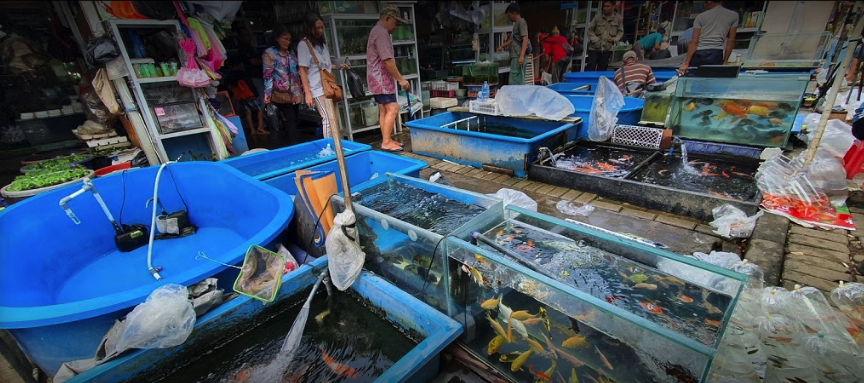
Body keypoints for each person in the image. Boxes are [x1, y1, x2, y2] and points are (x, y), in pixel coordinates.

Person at [298, 12, 349, 139]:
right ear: (310, 28)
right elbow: (302, 70)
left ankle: (337, 146)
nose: (320, 30)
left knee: (333, 118)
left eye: (322, 27)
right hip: (316, 88)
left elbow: (325, 66)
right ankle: (329, 148)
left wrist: (338, 66)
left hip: (329, 87)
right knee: (327, 118)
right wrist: (307, 92)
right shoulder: (304, 45)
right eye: (317, 28)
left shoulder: (322, 44)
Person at [367, 5, 410, 152]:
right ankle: (386, 142)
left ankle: (388, 139)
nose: (396, 27)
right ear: (387, 18)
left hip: (375, 79)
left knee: (384, 110)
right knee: (392, 108)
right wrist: (401, 79)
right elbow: (387, 60)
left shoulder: (376, 31)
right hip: (381, 79)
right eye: (395, 23)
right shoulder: (381, 33)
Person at [263, 25, 304, 145]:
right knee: (290, 119)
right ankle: (295, 145)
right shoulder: (269, 53)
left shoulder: (290, 53)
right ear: (277, 38)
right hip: (281, 93)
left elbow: (296, 71)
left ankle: (291, 142)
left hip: (295, 92)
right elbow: (268, 75)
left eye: (289, 39)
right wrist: (267, 94)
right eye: (284, 38)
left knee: (294, 119)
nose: (287, 42)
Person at [678, 1, 738, 75]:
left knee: (695, 80)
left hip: (699, 53)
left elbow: (694, 42)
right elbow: (731, 41)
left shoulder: (701, 17)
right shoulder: (733, 16)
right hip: (716, 54)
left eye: (704, 4)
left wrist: (686, 63)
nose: (704, 6)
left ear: (709, 3)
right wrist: (725, 62)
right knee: (712, 80)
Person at [226, 54, 268, 136]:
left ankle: (252, 130)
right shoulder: (243, 73)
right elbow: (250, 84)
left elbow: (229, 87)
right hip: (250, 95)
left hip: (241, 97)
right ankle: (260, 127)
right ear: (240, 64)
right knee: (260, 109)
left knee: (248, 112)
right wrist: (255, 93)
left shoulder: (230, 75)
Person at [236, 28, 267, 128]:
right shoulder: (243, 49)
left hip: (258, 76)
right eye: (244, 35)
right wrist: (266, 61)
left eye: (248, 34)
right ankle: (260, 126)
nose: (248, 37)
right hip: (253, 78)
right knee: (260, 101)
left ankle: (259, 126)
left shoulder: (250, 47)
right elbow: (252, 61)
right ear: (240, 37)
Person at [495, 3, 529, 85]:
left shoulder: (521, 23)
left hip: (518, 56)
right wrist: (501, 46)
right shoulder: (517, 24)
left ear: (514, 13)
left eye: (509, 15)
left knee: (515, 79)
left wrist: (521, 56)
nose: (509, 18)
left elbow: (525, 39)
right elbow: (512, 40)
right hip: (515, 56)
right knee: (514, 78)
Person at [585, 0, 623, 71]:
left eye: (608, 6)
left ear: (613, 7)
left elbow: (620, 32)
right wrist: (596, 40)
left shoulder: (618, 18)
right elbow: (589, 30)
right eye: (604, 6)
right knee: (590, 67)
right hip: (594, 47)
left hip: (607, 48)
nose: (605, 8)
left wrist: (615, 39)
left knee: (602, 68)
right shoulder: (598, 17)